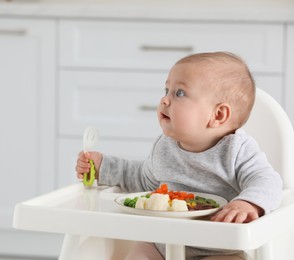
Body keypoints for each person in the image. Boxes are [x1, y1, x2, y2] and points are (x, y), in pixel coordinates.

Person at [75, 52, 283, 260]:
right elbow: (142, 179)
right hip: (162, 244)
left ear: (218, 115)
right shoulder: (164, 147)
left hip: (218, 249)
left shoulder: (237, 150)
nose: (164, 99)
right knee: (139, 254)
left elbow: (268, 181)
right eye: (167, 90)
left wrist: (248, 203)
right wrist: (103, 166)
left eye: (180, 93)